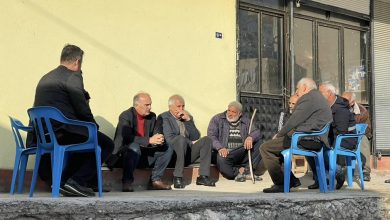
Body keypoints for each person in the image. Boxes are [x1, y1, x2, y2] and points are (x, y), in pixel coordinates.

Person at [28, 44, 114, 197]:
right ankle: (76, 181)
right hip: (63, 132)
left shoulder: (45, 77)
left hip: (45, 135)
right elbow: (81, 107)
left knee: (83, 140)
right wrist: (93, 125)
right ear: (77, 62)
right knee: (106, 144)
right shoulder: (73, 76)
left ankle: (64, 182)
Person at [260, 78, 332, 193]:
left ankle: (281, 184)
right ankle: (292, 180)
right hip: (316, 139)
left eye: (297, 89)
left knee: (266, 148)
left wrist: (279, 134)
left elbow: (294, 120)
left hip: (306, 139)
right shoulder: (319, 98)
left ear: (304, 87)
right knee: (279, 148)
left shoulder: (308, 98)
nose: (296, 92)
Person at [109, 92, 173, 192]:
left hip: (144, 154)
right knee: (134, 146)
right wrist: (149, 140)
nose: (150, 107)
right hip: (126, 155)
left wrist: (159, 138)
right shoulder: (125, 115)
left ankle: (155, 181)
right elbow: (126, 137)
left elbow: (157, 132)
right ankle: (127, 182)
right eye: (147, 105)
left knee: (168, 148)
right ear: (136, 105)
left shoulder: (152, 117)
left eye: (150, 104)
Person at [306, 82, 357, 190]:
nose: (318, 95)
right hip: (332, 138)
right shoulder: (326, 106)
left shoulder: (340, 109)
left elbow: (341, 132)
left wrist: (326, 144)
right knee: (310, 148)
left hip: (346, 139)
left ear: (329, 93)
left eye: (321, 92)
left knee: (322, 150)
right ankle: (320, 179)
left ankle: (338, 173)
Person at [159, 95, 216, 188]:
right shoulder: (164, 117)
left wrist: (188, 120)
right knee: (180, 139)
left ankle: (203, 176)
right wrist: (189, 142)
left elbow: (196, 136)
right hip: (174, 155)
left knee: (207, 140)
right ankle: (178, 177)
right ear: (170, 107)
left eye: (183, 106)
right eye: (178, 106)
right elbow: (169, 138)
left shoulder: (187, 116)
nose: (181, 109)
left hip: (188, 154)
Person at [207, 101, 262, 182]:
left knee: (259, 143)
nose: (230, 113)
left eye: (233, 112)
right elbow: (211, 136)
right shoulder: (217, 119)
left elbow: (257, 132)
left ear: (240, 114)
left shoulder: (245, 121)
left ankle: (247, 171)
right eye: (229, 110)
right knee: (221, 160)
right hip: (225, 152)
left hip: (240, 151)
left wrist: (251, 137)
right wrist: (220, 148)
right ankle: (238, 173)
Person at [342, 91, 372, 181]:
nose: (343, 103)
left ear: (352, 102)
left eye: (346, 101)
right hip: (343, 134)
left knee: (363, 139)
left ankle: (365, 171)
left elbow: (364, 129)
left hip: (357, 135)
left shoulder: (362, 111)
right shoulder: (338, 107)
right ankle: (333, 169)